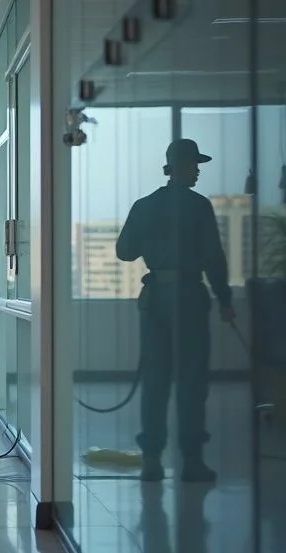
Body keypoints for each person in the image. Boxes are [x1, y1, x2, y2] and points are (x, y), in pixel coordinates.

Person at [116, 138, 232, 483]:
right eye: (195, 164)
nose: (197, 170)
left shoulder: (145, 205)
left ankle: (152, 459)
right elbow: (214, 256)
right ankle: (192, 459)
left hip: (154, 300)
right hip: (189, 297)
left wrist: (151, 237)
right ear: (180, 166)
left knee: (155, 381)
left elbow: (125, 251)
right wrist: (225, 299)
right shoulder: (198, 206)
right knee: (191, 381)